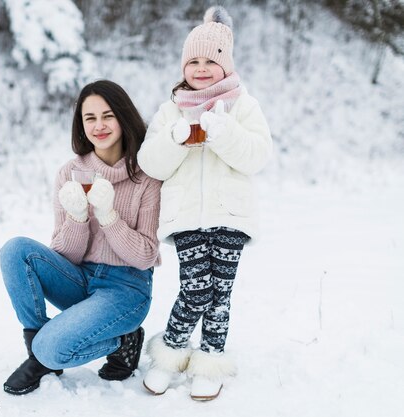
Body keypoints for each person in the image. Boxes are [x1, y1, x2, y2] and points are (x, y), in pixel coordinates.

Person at [137, 6, 272, 401]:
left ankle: (211, 360)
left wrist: (223, 129)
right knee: (196, 289)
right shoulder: (171, 109)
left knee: (220, 294)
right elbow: (151, 164)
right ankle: (171, 353)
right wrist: (176, 137)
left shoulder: (243, 106)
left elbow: (256, 156)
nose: (200, 68)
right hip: (185, 218)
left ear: (225, 65)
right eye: (192, 60)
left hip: (230, 214)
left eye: (210, 61)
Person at [0, 80, 162, 395]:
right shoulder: (70, 173)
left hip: (126, 288)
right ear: (81, 124)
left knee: (53, 347)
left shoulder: (146, 176)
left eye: (107, 116)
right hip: (80, 277)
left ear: (123, 117)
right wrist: (77, 217)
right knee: (15, 250)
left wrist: (108, 215)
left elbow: (144, 255)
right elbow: (64, 255)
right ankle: (39, 348)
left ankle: (122, 338)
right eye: (90, 118)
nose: (99, 126)